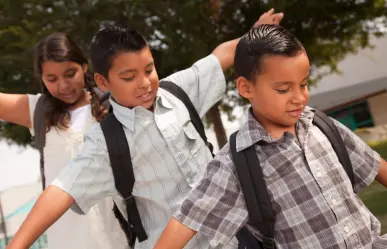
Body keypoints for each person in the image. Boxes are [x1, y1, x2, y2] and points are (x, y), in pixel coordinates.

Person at [6, 10, 284, 249]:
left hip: (233, 239)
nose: (144, 83)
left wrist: (253, 35)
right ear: (103, 82)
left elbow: (217, 58)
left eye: (149, 69)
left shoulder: (177, 91)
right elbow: (60, 191)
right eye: (128, 77)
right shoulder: (105, 142)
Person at [153, 24, 387, 249]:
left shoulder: (322, 125)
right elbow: (186, 220)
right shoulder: (236, 164)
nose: (298, 98)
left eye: (304, 84)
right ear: (245, 88)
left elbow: (377, 166)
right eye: (283, 89)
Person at [0, 33, 127, 249]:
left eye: (70, 74)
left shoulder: (113, 104)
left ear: (84, 67)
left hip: (119, 238)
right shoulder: (37, 111)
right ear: (41, 78)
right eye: (52, 79)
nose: (63, 85)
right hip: (66, 241)